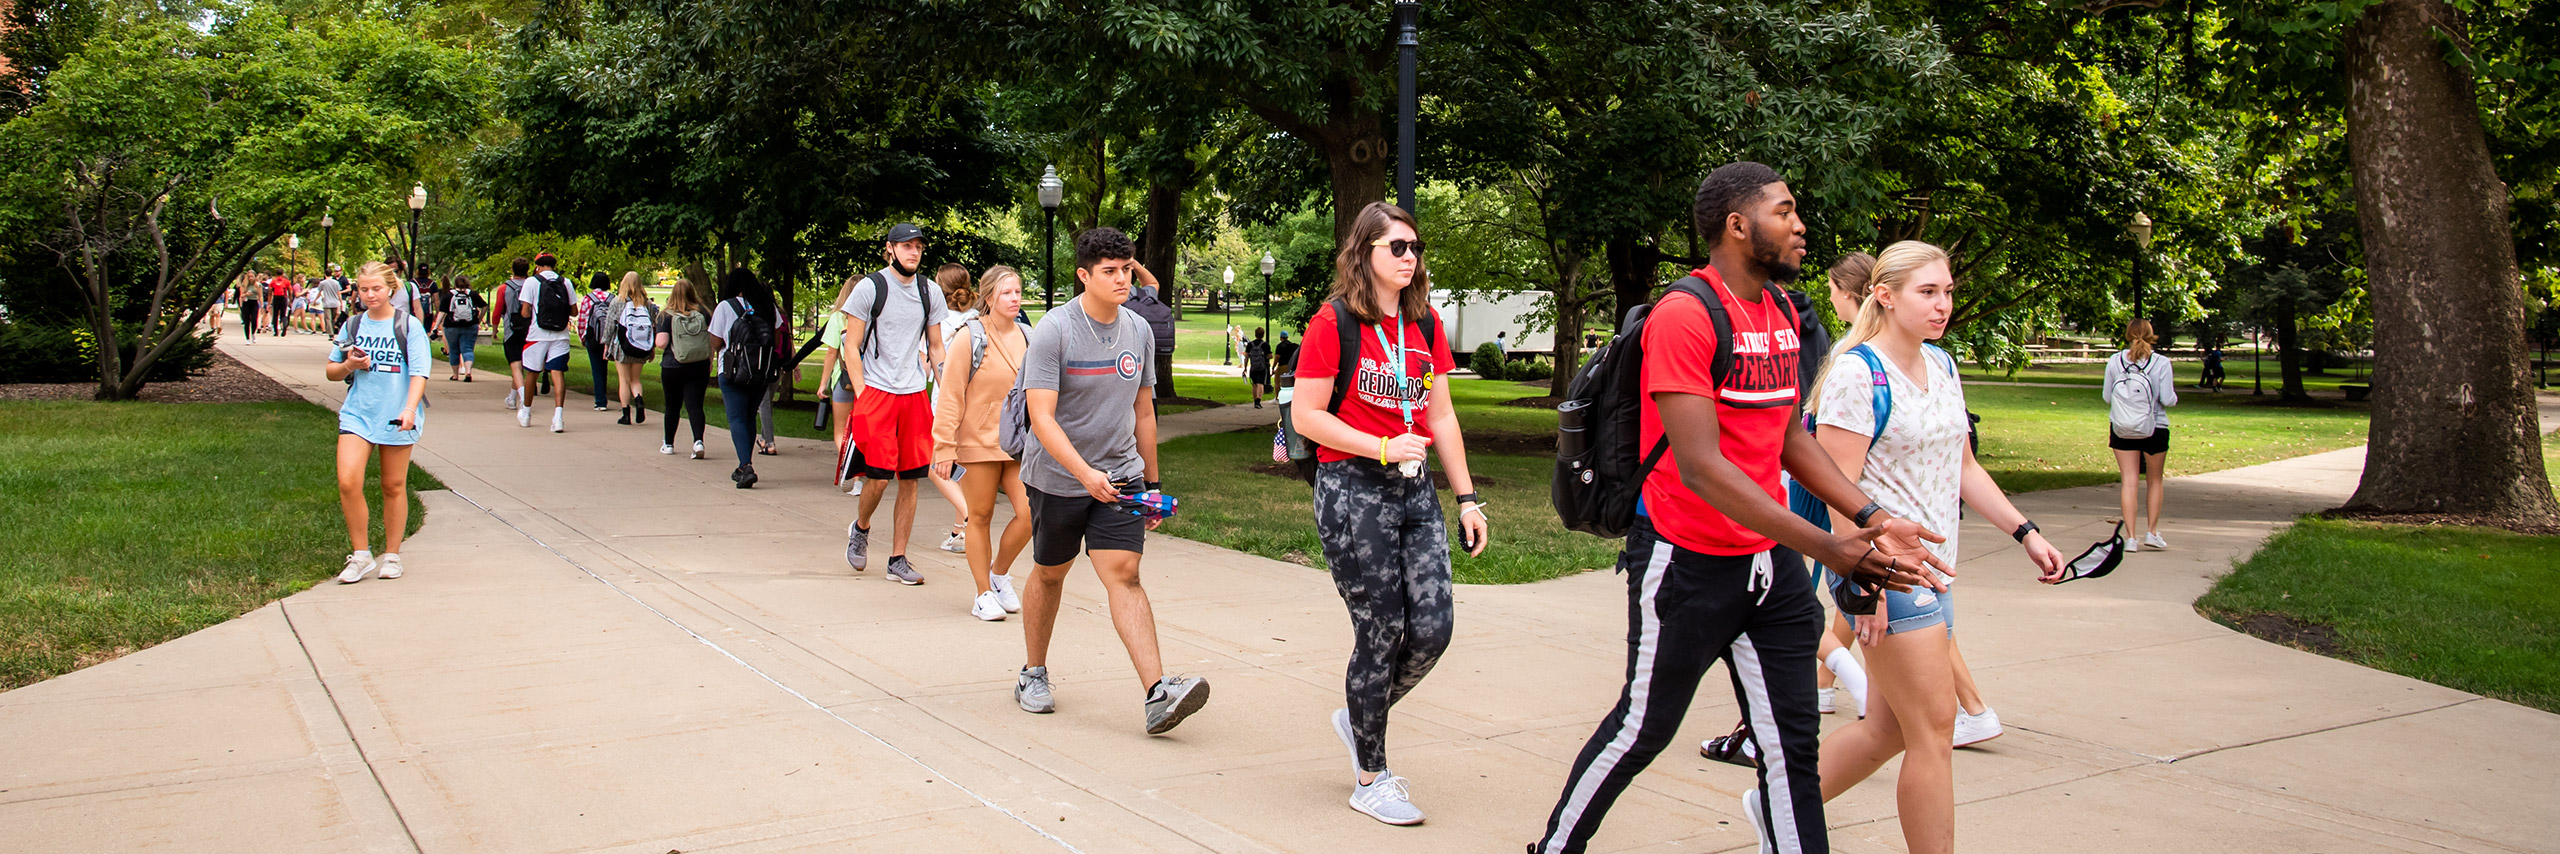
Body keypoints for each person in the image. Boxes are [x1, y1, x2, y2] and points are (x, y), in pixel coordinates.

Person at [1528, 162, 1947, 854]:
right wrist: (1827, 545)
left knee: (1791, 748)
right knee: (1643, 729)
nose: (1800, 225)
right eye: (1785, 212)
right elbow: (1702, 467)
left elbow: (1787, 439)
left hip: (1767, 569)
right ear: (1737, 225)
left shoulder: (1782, 311)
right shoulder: (1686, 315)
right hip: (1685, 564)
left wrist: (1868, 516)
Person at [1786, 241, 2072, 854]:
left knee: (1887, 729)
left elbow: (1964, 467)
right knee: (1935, 731)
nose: (1942, 304)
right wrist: (1865, 585)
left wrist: (2026, 533)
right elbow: (1839, 493)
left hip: (1937, 574)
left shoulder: (1941, 365)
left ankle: (1777, 807)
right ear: (1884, 296)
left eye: (1946, 291)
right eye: (1927, 292)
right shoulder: (1857, 374)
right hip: (1886, 574)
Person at [1290, 202, 1490, 826]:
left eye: (1414, 248)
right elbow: (1307, 416)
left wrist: (1465, 497)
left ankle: (1359, 716)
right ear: (1365, 253)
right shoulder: (1335, 323)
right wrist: (1377, 445)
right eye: (1396, 247)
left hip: (1414, 489)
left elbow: (1442, 417)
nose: (1409, 258)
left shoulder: (1425, 326)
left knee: (1432, 629)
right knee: (1382, 630)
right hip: (1352, 487)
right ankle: (1371, 776)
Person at [1011, 226, 1208, 735]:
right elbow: (1042, 418)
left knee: (1124, 573)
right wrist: (1084, 474)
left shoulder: (1138, 330)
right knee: (1051, 573)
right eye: (1110, 272)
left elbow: (1144, 412)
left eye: (1127, 269)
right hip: (1057, 477)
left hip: (1120, 475)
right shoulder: (1055, 329)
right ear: (1084, 275)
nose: (1123, 279)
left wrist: (1152, 485)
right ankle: (1033, 672)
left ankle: (1157, 694)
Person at [836, 224, 950, 586]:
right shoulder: (871, 288)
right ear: (890, 249)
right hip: (878, 392)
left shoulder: (930, 291)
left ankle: (898, 558)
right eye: (906, 246)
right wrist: (862, 391)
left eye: (918, 246)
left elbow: (935, 346)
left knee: (912, 480)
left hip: (914, 393)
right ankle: (862, 526)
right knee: (878, 478)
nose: (913, 252)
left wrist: (948, 392)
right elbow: (850, 345)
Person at [930, 266, 1031, 622]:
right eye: (1007, 293)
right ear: (989, 297)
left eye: (1018, 291)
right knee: (980, 515)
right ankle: (982, 593)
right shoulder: (969, 336)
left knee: (1031, 513)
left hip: (1018, 443)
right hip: (977, 442)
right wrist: (943, 446)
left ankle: (999, 572)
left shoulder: (1028, 336)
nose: (1015, 298)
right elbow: (950, 395)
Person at [325, 262, 433, 585]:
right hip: (358, 413)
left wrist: (410, 409)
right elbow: (331, 371)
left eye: (376, 289)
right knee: (348, 481)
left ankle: (393, 555)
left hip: (396, 413)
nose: (369, 295)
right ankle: (360, 555)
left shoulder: (408, 326)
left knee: (393, 485)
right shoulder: (353, 325)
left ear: (391, 289)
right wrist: (349, 365)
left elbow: (419, 373)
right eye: (363, 289)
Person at [2106, 318, 2178, 551]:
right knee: (2154, 481)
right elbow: (2167, 399)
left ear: (2127, 335)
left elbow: (2108, 397)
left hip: (2122, 427)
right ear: (2151, 334)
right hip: (2155, 427)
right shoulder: (2161, 363)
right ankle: (2152, 532)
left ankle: (2130, 538)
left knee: (2129, 481)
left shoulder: (2115, 361)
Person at [709, 267, 777, 486]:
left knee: (737, 418)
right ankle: (743, 465)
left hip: (733, 369)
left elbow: (717, 342)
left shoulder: (725, 307)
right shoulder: (767, 306)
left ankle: (745, 465)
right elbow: (774, 337)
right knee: (749, 417)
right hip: (761, 371)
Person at [928, 263, 979, 555]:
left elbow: (928, 362)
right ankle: (960, 531)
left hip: (947, 402)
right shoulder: (978, 317)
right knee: (964, 467)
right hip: (976, 401)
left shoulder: (939, 321)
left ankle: (969, 514)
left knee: (938, 466)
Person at [655, 275, 714, 458]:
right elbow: (711, 340)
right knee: (695, 405)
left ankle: (669, 443)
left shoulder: (666, 315)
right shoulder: (704, 313)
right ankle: (698, 442)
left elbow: (662, 343)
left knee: (672, 406)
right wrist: (710, 361)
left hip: (673, 366)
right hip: (699, 365)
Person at [517, 254, 576, 432]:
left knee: (532, 373)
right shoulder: (566, 282)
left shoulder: (532, 282)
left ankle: (526, 413)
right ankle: (558, 417)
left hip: (537, 335)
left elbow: (525, 312)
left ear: (538, 266)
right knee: (558, 375)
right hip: (561, 335)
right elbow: (574, 311)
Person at [1123, 267, 1178, 400]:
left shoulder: (1114, 296)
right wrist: (1134, 263)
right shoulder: (1142, 295)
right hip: (1146, 390)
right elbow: (1153, 284)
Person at [607, 271, 654, 425]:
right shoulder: (647, 304)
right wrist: (651, 348)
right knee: (635, 379)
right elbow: (652, 327)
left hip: (622, 346)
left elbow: (609, 327)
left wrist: (607, 345)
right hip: (640, 346)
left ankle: (625, 413)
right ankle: (639, 400)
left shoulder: (617, 302)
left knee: (624, 380)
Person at [579, 272, 617, 412]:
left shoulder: (588, 299)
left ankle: (600, 401)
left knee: (596, 368)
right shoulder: (614, 298)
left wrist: (583, 337)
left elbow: (582, 319)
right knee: (605, 367)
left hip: (593, 338)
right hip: (610, 338)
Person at [499, 258, 532, 413]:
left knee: (515, 364)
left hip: (511, 328)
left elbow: (498, 308)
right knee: (520, 365)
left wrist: (493, 328)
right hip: (529, 328)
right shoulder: (533, 285)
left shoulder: (505, 287)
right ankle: (512, 398)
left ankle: (523, 396)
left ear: (512, 269)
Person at [439, 274, 486, 382]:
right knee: (468, 349)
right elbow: (484, 305)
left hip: (451, 326)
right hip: (470, 325)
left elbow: (442, 312)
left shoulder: (448, 295)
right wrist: (479, 319)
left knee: (454, 350)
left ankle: (455, 374)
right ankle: (468, 371)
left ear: (454, 284)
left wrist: (436, 326)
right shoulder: (473, 294)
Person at [1244, 327, 1272, 408]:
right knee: (1261, 384)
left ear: (1255, 334)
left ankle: (1255, 400)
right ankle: (1258, 401)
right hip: (1262, 367)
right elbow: (1270, 356)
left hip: (1253, 366)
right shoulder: (1265, 345)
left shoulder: (1250, 344)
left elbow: (1246, 356)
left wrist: (1245, 367)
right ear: (1263, 334)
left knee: (1254, 384)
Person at [317, 264, 347, 331]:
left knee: (328, 318)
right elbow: (338, 293)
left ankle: (331, 331)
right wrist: (341, 302)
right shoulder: (336, 282)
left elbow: (319, 292)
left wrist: (315, 299)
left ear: (325, 274)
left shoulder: (323, 283)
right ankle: (331, 331)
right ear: (332, 273)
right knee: (333, 318)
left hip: (327, 303)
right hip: (335, 302)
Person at [268, 271, 293, 337]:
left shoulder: (273, 281)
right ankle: (284, 325)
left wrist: (269, 302)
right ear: (283, 274)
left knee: (275, 315)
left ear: (276, 274)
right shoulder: (286, 281)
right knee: (283, 314)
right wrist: (290, 301)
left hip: (276, 298)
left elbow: (270, 292)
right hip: (283, 298)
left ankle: (276, 331)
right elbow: (290, 292)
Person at [238, 275, 261, 342]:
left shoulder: (258, 285)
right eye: (249, 277)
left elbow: (260, 295)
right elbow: (241, 295)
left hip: (254, 302)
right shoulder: (244, 285)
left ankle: (253, 333)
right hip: (246, 302)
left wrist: (262, 305)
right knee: (246, 321)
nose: (250, 278)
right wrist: (246, 295)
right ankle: (247, 338)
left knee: (254, 320)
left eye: (252, 276)